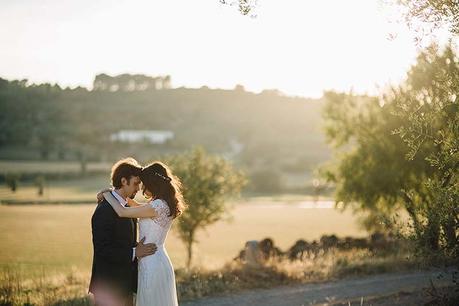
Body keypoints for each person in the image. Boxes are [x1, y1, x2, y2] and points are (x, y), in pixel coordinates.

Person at [100, 161, 186, 306]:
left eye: (143, 183)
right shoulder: (162, 203)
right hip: (157, 259)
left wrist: (107, 195)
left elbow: (122, 212)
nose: (141, 188)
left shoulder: (157, 206)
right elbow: (138, 207)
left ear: (152, 184)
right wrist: (119, 195)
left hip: (151, 263)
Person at [89, 158, 158, 306]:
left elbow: (122, 240)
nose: (138, 188)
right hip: (108, 288)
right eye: (135, 183)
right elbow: (103, 250)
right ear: (123, 181)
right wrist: (134, 252)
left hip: (125, 285)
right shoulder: (104, 210)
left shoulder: (126, 207)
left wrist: (135, 246)